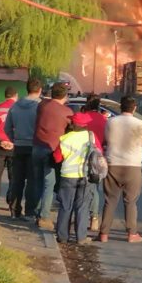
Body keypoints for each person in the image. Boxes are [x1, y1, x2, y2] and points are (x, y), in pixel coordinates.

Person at [98, 96, 142, 244]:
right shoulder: (140, 124)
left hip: (113, 163)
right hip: (132, 165)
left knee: (110, 200)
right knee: (131, 201)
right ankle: (132, 234)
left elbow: (106, 139)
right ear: (134, 108)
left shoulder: (111, 122)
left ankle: (103, 234)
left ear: (121, 108)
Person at [32, 82, 74, 229]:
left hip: (37, 146)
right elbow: (71, 129)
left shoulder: (42, 106)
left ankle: (35, 211)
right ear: (65, 95)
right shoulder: (67, 112)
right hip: (52, 150)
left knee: (37, 181)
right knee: (49, 183)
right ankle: (44, 216)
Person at [4, 78, 43, 220]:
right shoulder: (40, 106)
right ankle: (30, 211)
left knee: (17, 179)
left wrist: (14, 139)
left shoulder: (15, 106)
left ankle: (14, 210)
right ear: (39, 90)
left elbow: (6, 127)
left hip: (19, 146)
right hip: (34, 146)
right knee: (32, 180)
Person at [52, 112, 92, 244]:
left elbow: (57, 158)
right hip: (85, 176)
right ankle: (81, 237)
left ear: (74, 124)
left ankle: (63, 236)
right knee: (82, 207)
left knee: (65, 206)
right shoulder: (91, 137)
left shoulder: (64, 138)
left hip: (68, 176)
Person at [76, 94, 108, 232]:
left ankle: (78, 215)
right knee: (94, 187)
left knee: (78, 185)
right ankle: (94, 218)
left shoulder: (83, 117)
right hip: (97, 155)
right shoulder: (103, 119)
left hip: (80, 153)